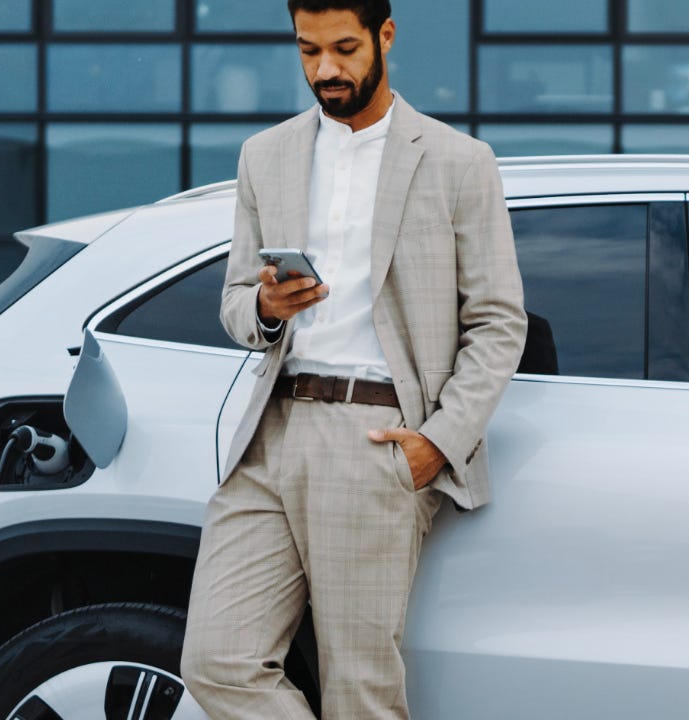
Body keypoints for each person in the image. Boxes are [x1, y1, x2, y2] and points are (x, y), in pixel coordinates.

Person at [179, 1, 527, 718]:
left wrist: (437, 442)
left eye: (343, 49)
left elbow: (497, 322)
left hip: (374, 438)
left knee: (360, 687)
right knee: (217, 663)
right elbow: (236, 303)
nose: (326, 70)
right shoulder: (264, 155)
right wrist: (267, 312)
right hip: (269, 434)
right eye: (308, 51)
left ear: (384, 36)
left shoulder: (459, 162)